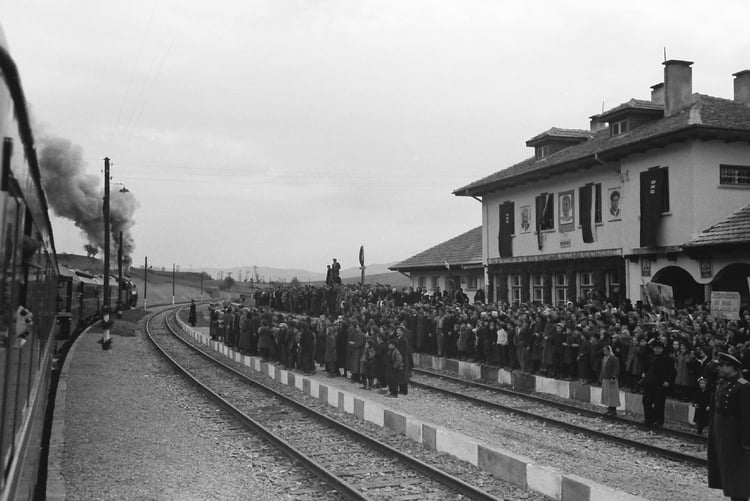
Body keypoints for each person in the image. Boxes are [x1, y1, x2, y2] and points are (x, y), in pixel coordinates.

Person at [708, 352, 750, 500]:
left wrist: (746, 442)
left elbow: (746, 416)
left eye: (723, 366)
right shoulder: (721, 383)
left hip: (735, 434)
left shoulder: (743, 386)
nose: (719, 368)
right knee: (727, 470)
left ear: (732, 367)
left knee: (738, 473)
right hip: (722, 433)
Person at [641, 339, 675, 428]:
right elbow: (645, 368)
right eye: (655, 348)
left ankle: (659, 421)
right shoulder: (650, 357)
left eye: (659, 348)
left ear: (662, 349)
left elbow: (672, 372)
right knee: (646, 402)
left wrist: (668, 381)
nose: (657, 350)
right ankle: (649, 419)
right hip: (649, 383)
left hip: (660, 384)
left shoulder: (667, 359)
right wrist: (644, 374)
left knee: (659, 404)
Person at [601, 345, 621, 417]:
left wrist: (614, 376)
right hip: (605, 378)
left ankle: (613, 409)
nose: (604, 352)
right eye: (604, 351)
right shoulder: (604, 358)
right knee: (607, 394)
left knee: (613, 395)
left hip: (611, 379)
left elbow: (616, 369)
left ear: (610, 351)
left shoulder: (614, 359)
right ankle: (609, 408)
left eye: (606, 350)